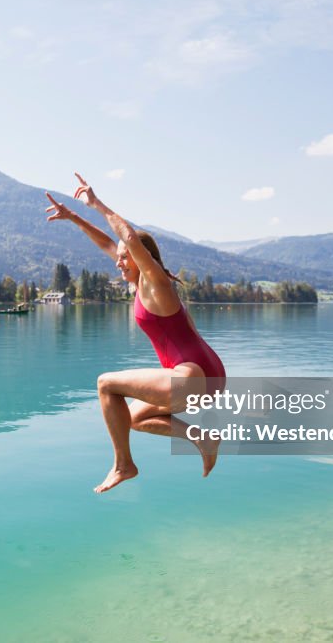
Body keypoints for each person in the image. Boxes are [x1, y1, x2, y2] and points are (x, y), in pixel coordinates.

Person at [45, 173, 226, 493]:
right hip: (204, 374)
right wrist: (74, 218)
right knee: (133, 419)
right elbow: (109, 243)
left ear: (142, 258)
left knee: (106, 384)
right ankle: (202, 438)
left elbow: (127, 238)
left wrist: (95, 203)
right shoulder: (143, 281)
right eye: (118, 259)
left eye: (124, 258)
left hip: (191, 375)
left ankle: (123, 465)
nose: (118, 263)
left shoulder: (154, 280)